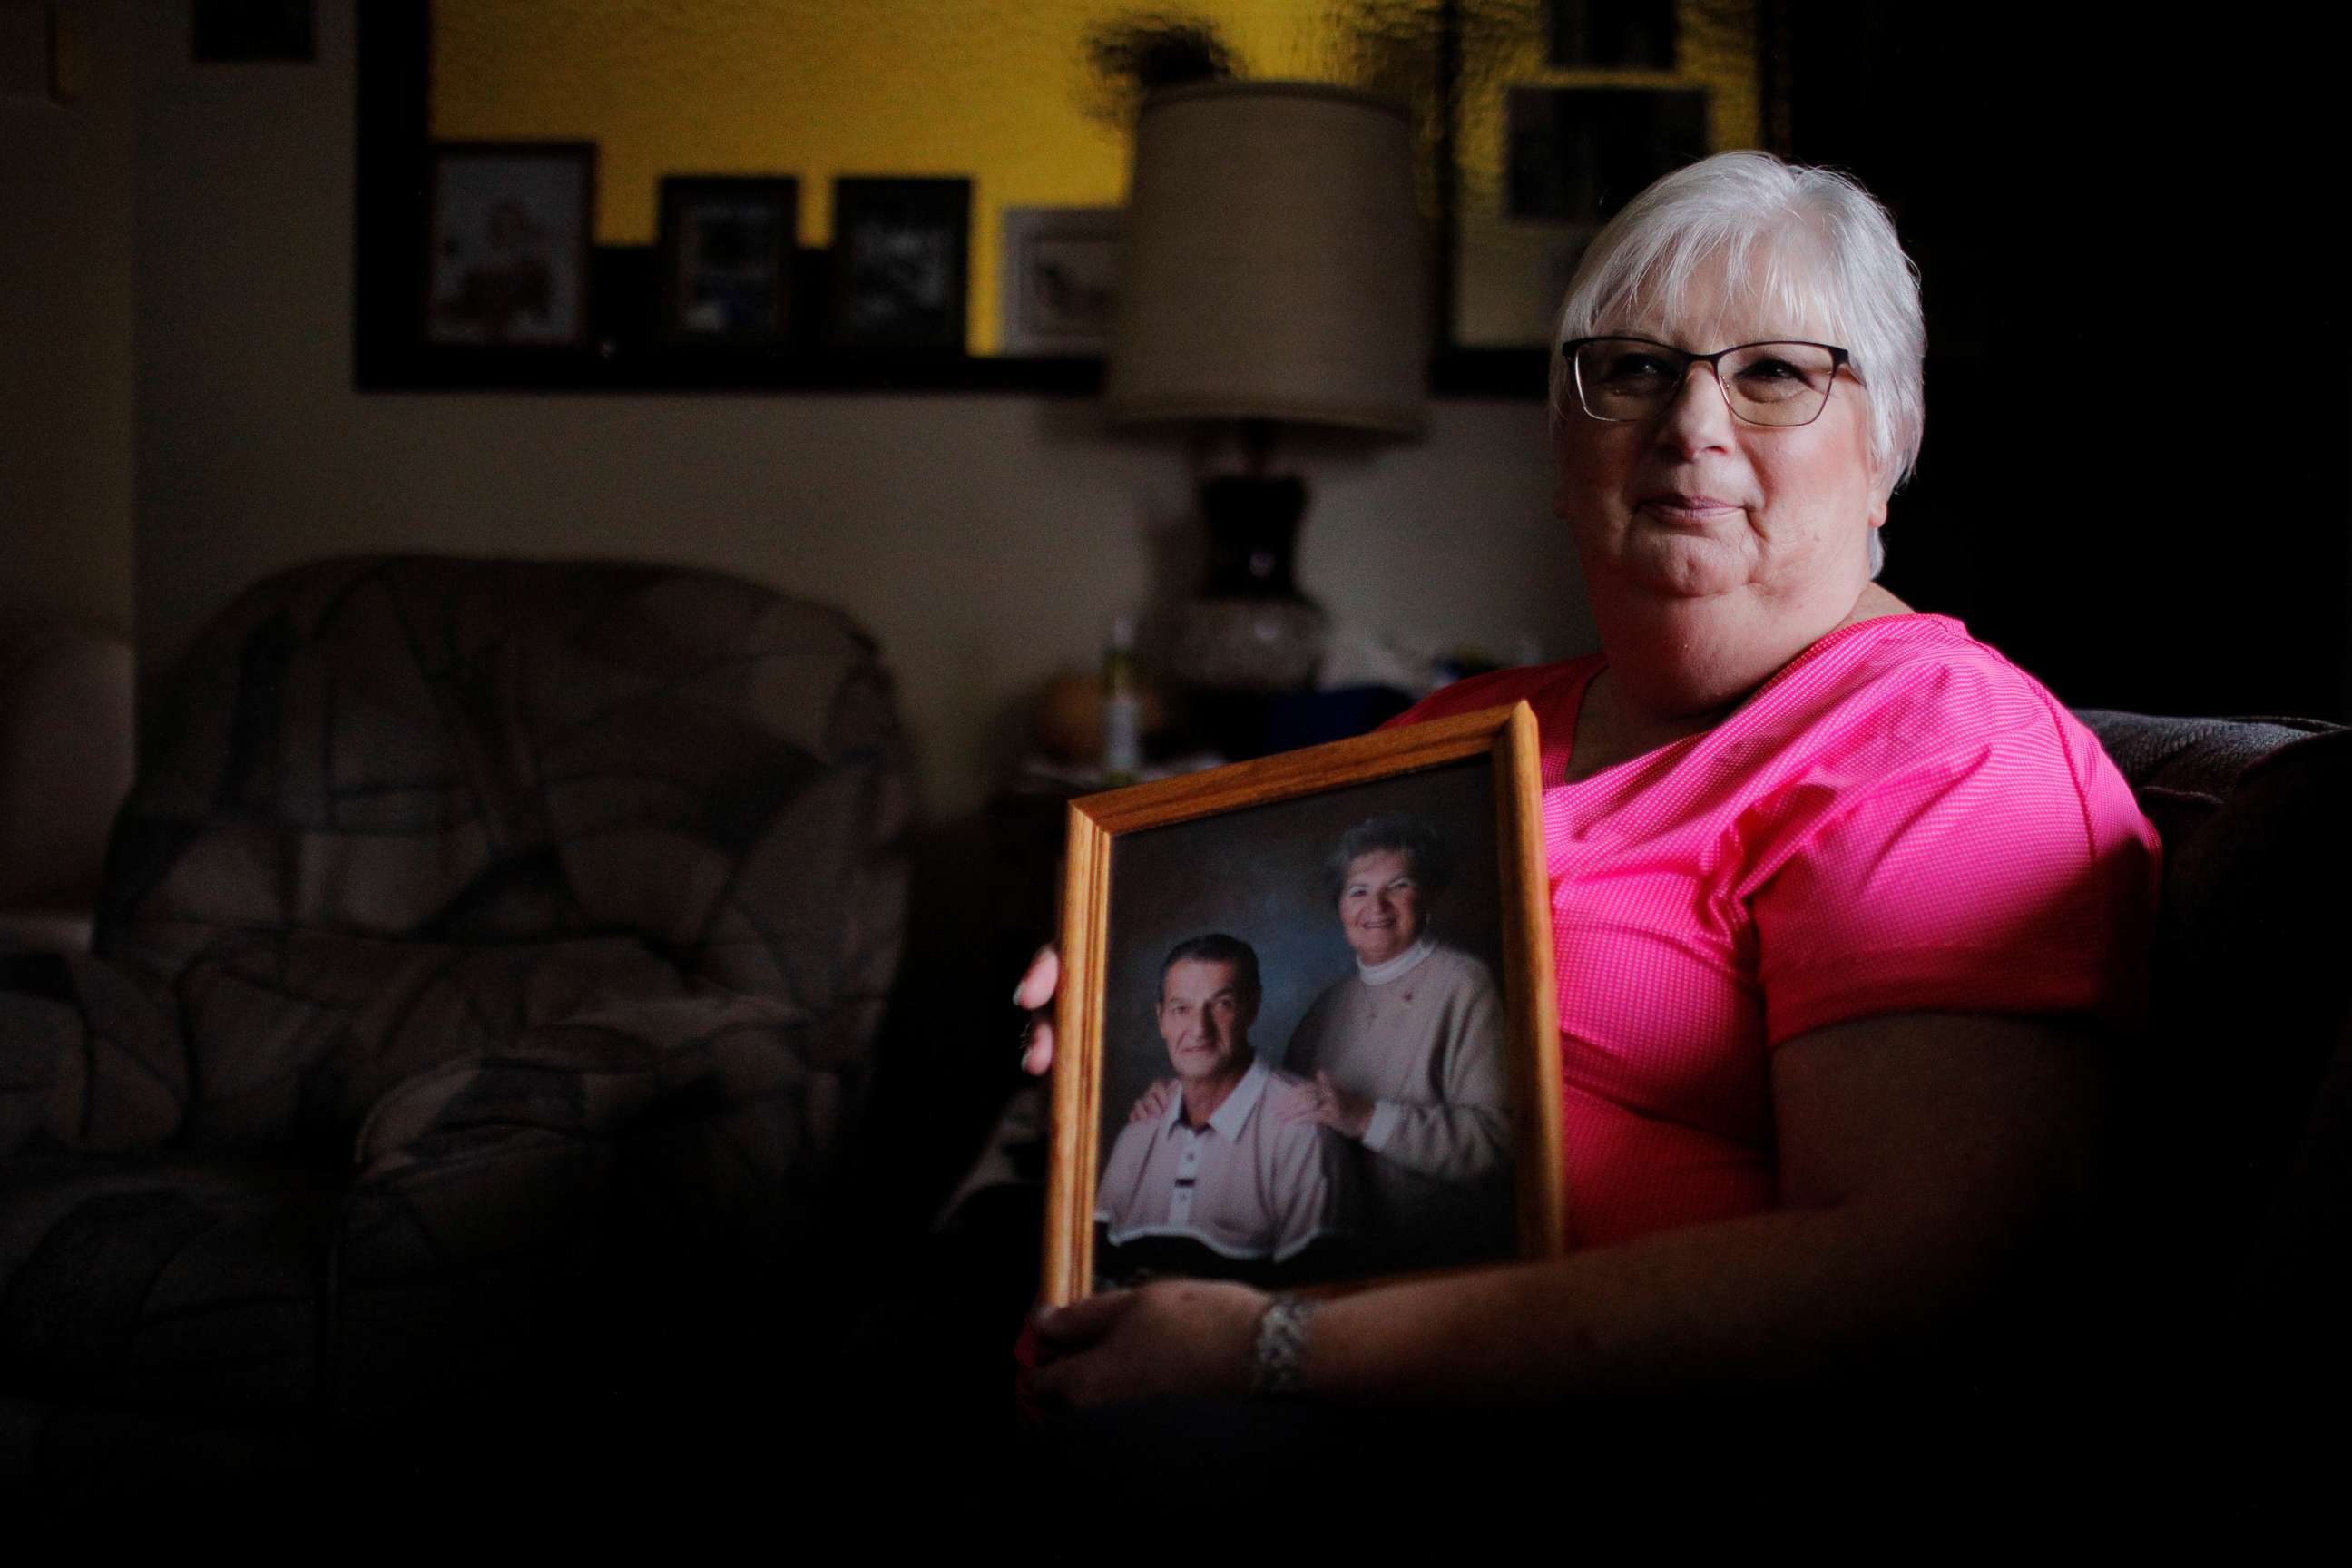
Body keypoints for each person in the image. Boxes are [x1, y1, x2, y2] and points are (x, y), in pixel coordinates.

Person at [1010, 150, 2161, 1437]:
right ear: (1565, 450)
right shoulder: (1460, 732)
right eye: (1635, 370)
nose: (1694, 427)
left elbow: (1928, 1273)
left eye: (1775, 373)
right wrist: (1120, 986)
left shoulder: (1948, 755)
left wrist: (1283, 1351)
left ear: (1888, 444)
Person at [1285, 815, 1513, 1269]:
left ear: (1427, 896)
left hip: (1445, 1257)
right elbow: (1284, 1125)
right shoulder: (1325, 1009)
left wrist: (1367, 1117)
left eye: (1399, 885)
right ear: (1340, 909)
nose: (1378, 905)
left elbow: (1498, 1144)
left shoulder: (1464, 984)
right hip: (1341, 1255)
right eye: (1359, 890)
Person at [1093, 935, 1357, 1285]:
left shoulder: (1301, 1130)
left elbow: (1314, 1301)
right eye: (1181, 1009)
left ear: (1252, 1007)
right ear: (1161, 1020)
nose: (1199, 1029)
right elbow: (1094, 1276)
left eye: (1221, 1004)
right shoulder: (1141, 1130)